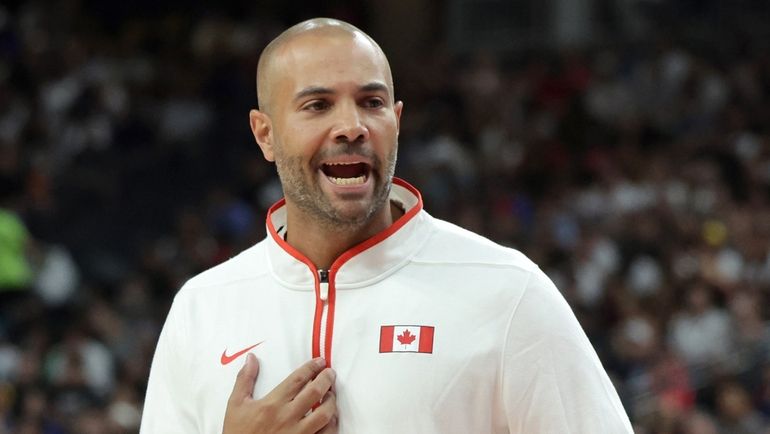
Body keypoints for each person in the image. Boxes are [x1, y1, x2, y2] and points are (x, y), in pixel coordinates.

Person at [140, 17, 633, 433]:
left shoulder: (509, 292)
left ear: (396, 120)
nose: (352, 125)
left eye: (372, 103)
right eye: (318, 105)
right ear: (264, 134)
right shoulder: (200, 310)